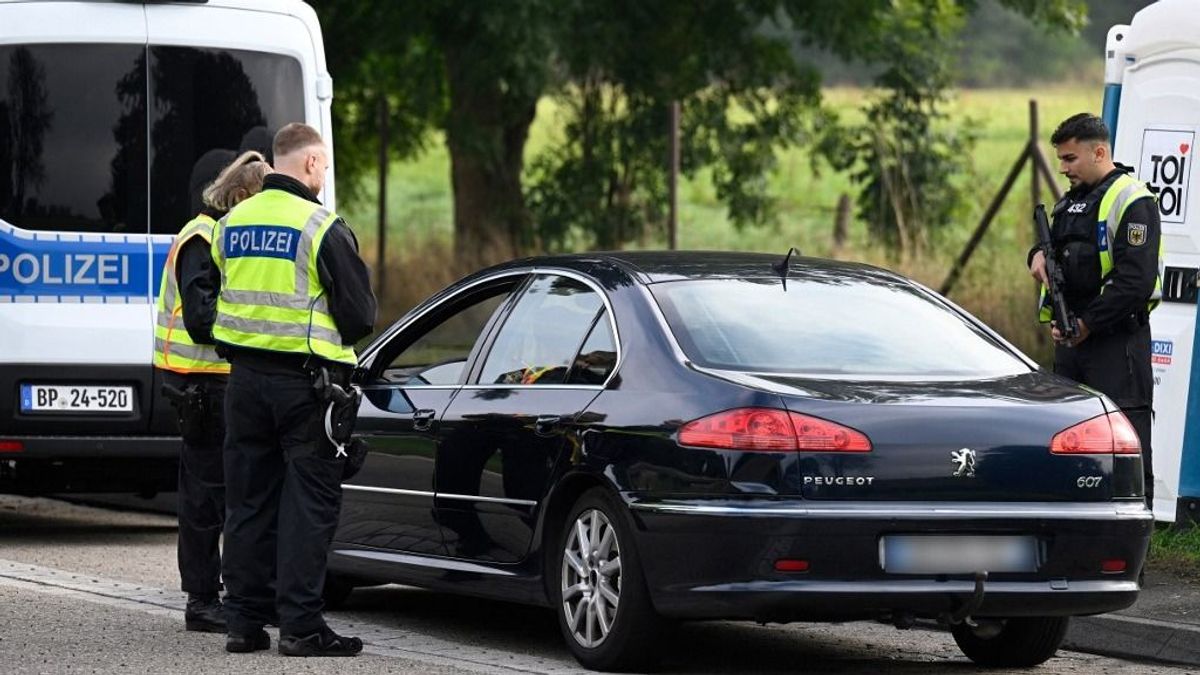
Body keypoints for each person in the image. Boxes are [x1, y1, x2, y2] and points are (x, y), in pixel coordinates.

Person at [204, 123, 376, 656]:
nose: (324, 175)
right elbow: (360, 314)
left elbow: (221, 290)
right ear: (308, 164)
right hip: (306, 388)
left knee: (248, 502)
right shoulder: (319, 226)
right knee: (308, 504)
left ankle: (243, 624)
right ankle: (301, 628)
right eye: (323, 166)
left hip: (244, 384)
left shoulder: (230, 222)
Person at [154, 150, 270, 633]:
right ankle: (202, 600)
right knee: (204, 495)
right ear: (240, 196)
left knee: (221, 491)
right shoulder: (202, 238)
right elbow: (202, 321)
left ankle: (220, 593)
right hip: (199, 381)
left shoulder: (216, 235)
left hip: (210, 381)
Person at [1028, 113, 1163, 506]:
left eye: (1070, 159)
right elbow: (1058, 250)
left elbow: (1134, 283)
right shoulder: (1071, 201)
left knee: (1124, 449)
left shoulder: (1132, 199)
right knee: (1068, 444)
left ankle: (1132, 555)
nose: (1062, 167)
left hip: (1115, 345)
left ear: (1099, 151)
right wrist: (1034, 255)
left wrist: (1087, 324)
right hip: (1071, 344)